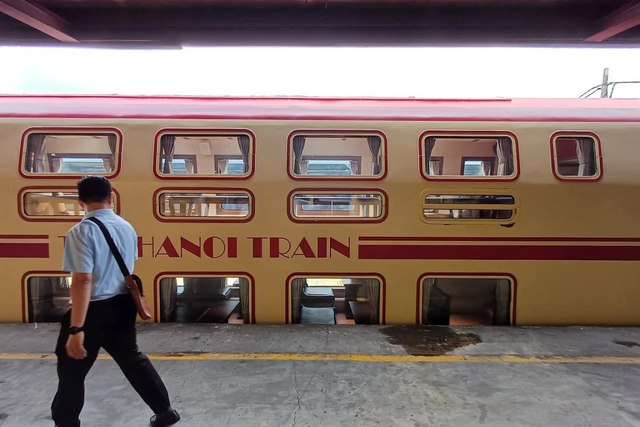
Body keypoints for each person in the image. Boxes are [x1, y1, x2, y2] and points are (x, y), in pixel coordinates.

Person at [51, 176, 181, 427]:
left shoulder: (80, 232)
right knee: (133, 360)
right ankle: (165, 411)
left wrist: (76, 329)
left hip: (92, 310)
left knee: (71, 370)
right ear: (111, 197)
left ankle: (66, 422)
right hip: (122, 305)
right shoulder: (126, 227)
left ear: (80, 201)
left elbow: (83, 281)